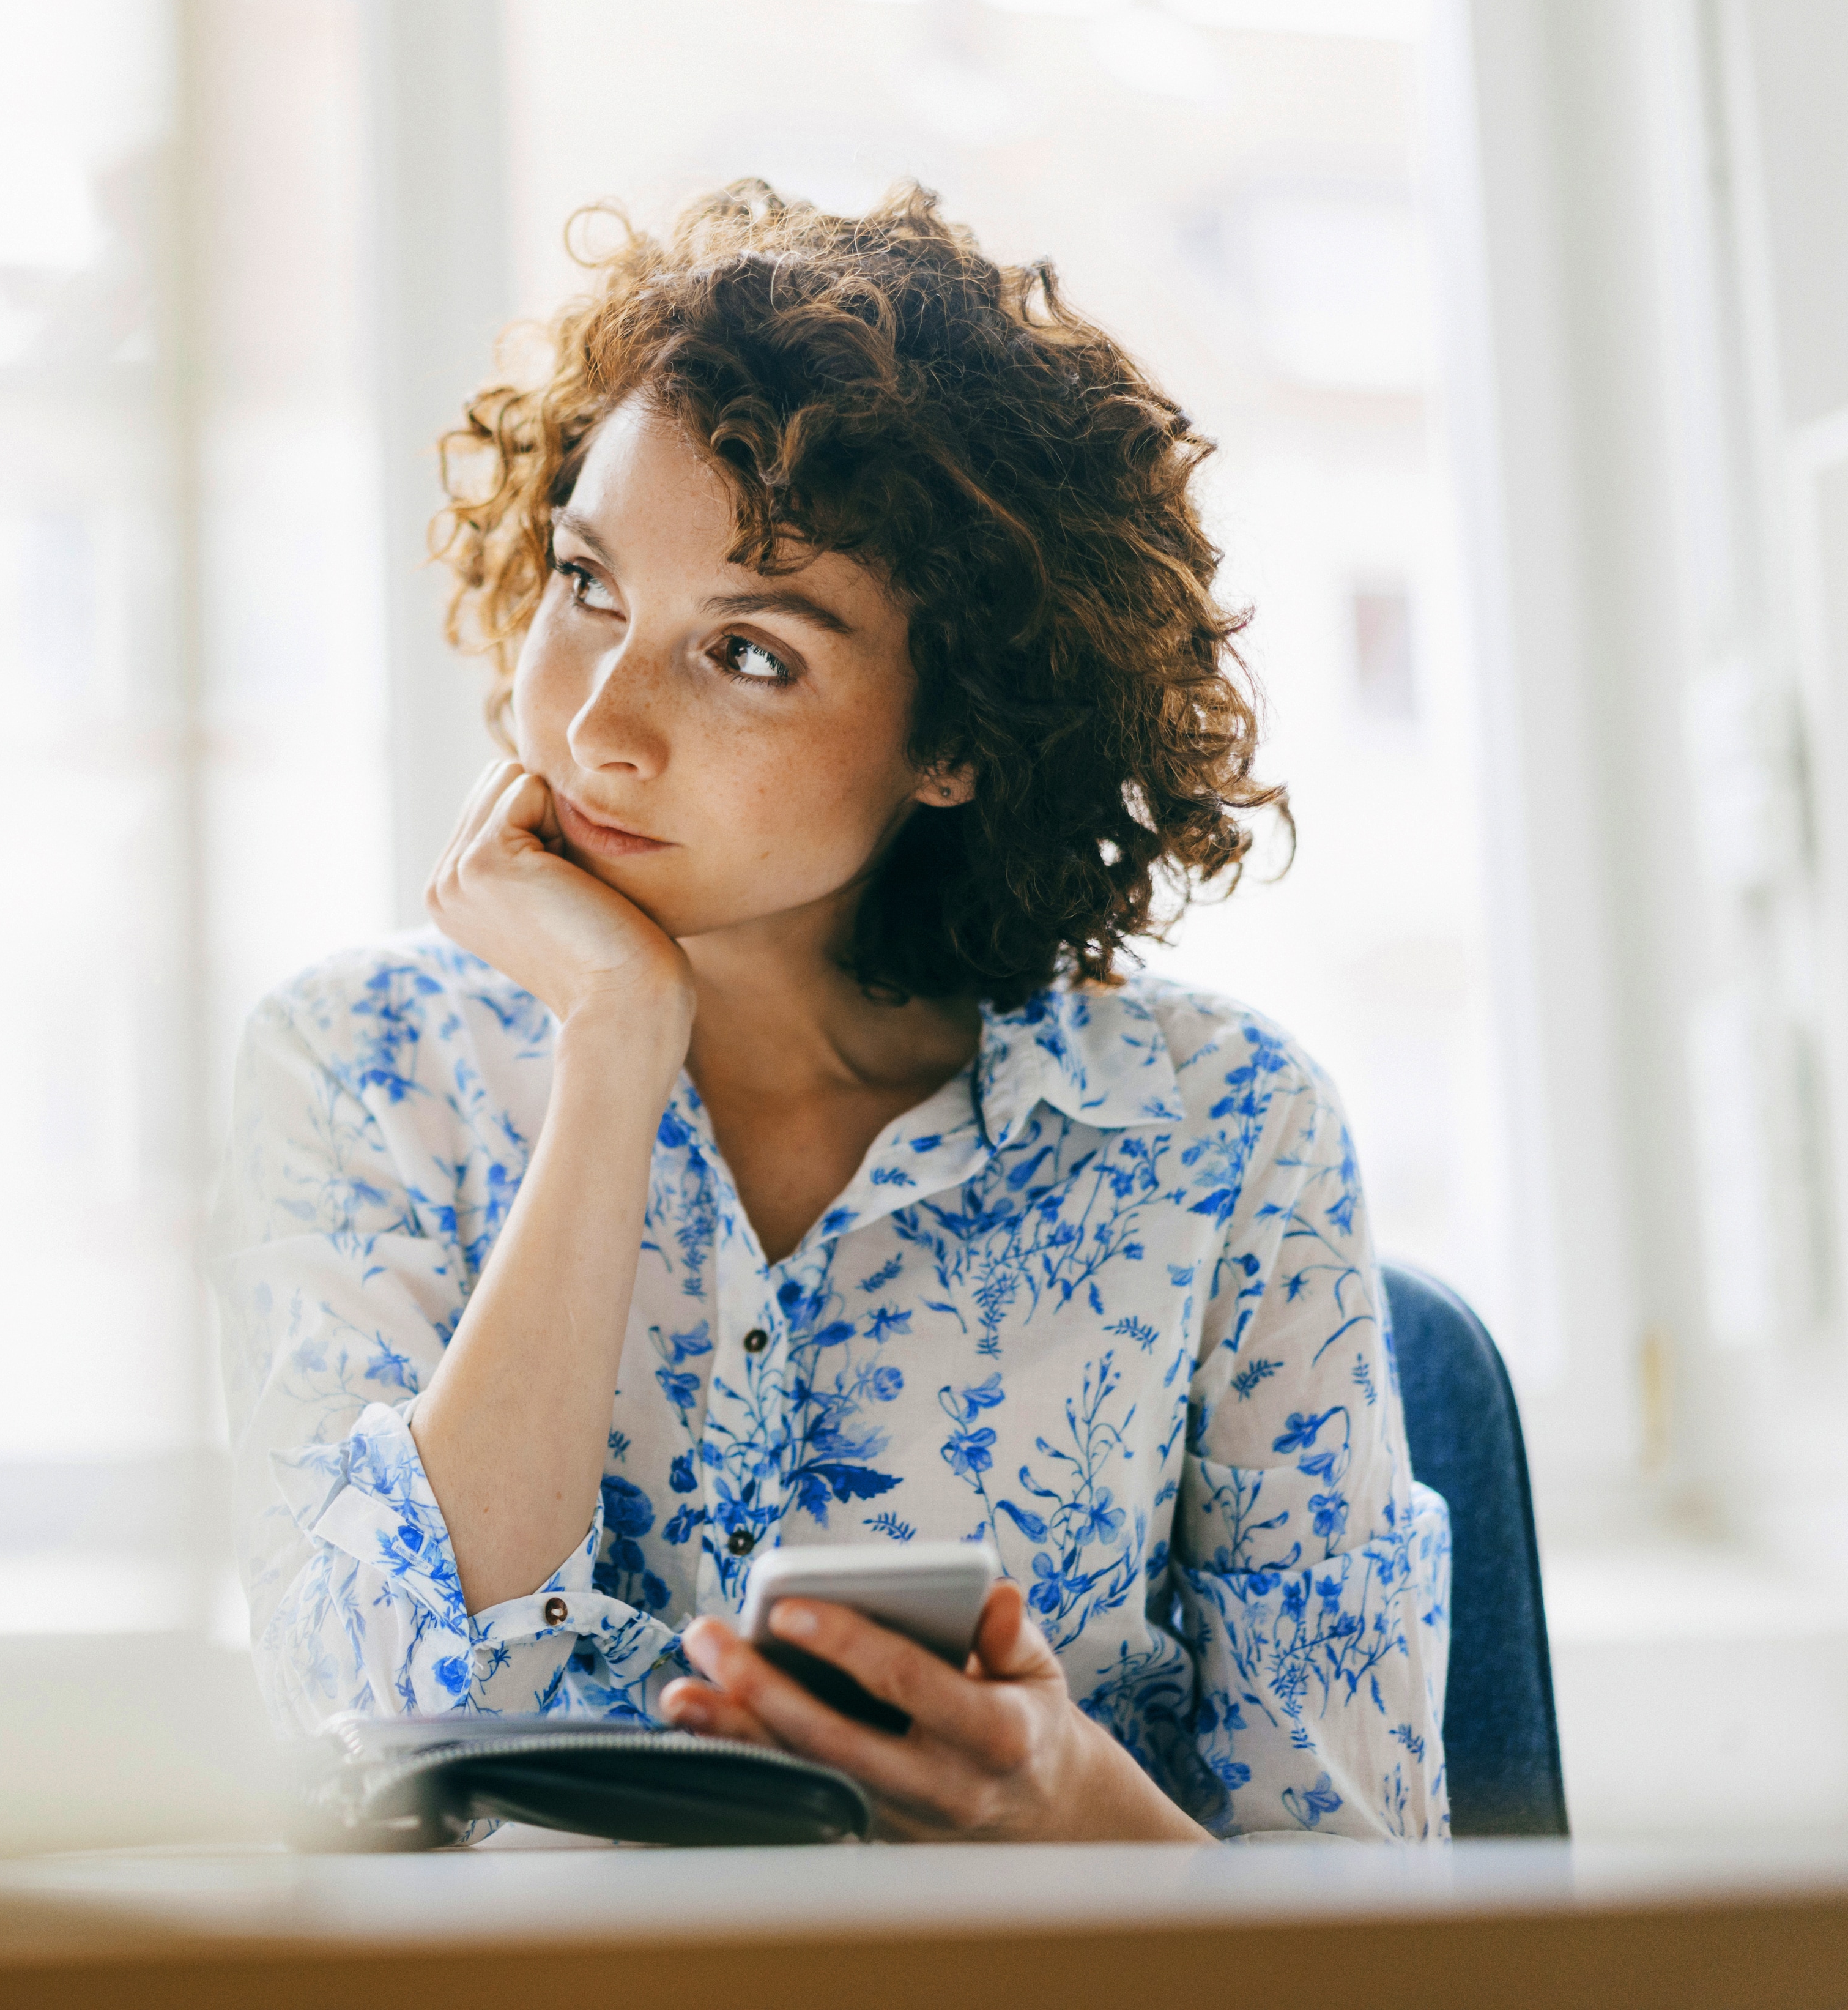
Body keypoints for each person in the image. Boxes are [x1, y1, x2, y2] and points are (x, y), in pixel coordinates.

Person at [209, 181, 1449, 1844]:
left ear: (958, 739)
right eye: (588, 582)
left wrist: (1073, 1810)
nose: (597, 725)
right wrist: (610, 1047)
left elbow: (1371, 1914)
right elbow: (374, 1747)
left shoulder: (1230, 1140)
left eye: (752, 654)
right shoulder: (356, 1076)